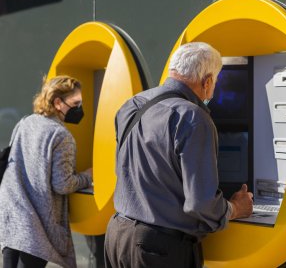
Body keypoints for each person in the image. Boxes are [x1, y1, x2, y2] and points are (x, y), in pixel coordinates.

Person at [104, 42, 253, 268]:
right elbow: (200, 203)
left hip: (117, 236)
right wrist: (234, 208)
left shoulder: (133, 105)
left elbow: (123, 170)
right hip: (158, 248)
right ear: (208, 81)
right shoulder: (192, 117)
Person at [0, 75, 93, 268]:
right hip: (35, 227)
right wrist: (87, 177)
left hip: (11, 218)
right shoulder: (61, 135)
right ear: (58, 102)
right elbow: (63, 184)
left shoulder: (25, 123)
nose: (80, 108)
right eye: (76, 103)